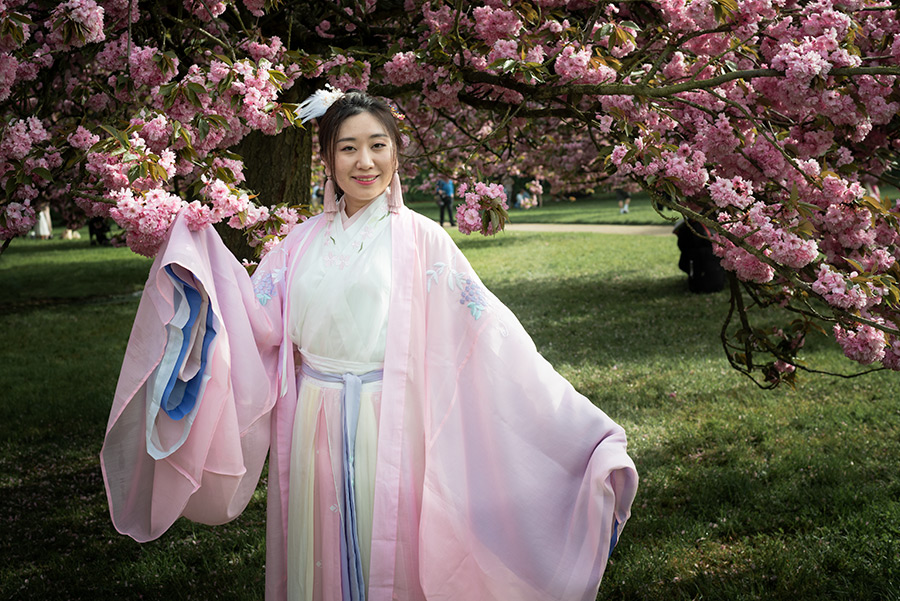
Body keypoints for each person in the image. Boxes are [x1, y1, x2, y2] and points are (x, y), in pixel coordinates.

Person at [101, 89, 638, 601]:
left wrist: (579, 429)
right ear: (329, 162)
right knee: (320, 544)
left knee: (389, 547)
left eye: (378, 145)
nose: (365, 162)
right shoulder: (298, 243)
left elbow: (490, 335)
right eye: (349, 148)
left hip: (391, 416)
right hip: (313, 414)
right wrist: (200, 255)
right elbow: (255, 324)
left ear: (396, 155)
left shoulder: (424, 239)